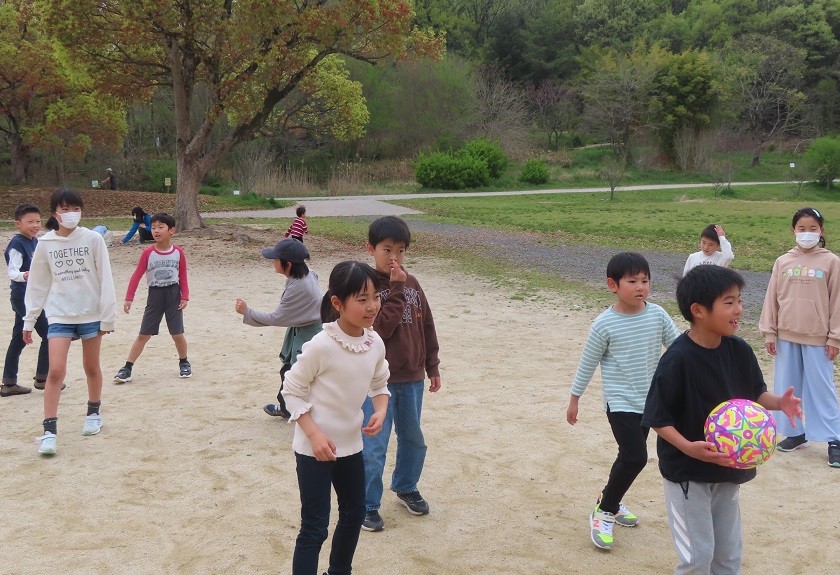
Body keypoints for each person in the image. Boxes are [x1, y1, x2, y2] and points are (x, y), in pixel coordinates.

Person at [643, 265, 802, 574]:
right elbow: (657, 418)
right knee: (697, 556)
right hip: (688, 472)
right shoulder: (677, 360)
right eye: (729, 302)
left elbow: (754, 395)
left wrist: (779, 403)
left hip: (728, 469)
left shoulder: (739, 350)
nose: (739, 309)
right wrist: (689, 447)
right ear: (699, 310)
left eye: (739, 300)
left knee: (728, 556)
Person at [281, 260, 390, 575]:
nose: (372, 306)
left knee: (354, 513)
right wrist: (314, 435)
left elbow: (380, 383)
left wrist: (380, 410)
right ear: (337, 303)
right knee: (315, 526)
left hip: (351, 446)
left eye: (376, 296)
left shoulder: (374, 343)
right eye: (362, 299)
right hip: (314, 449)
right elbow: (291, 391)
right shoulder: (321, 345)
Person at [567, 252, 680, 551]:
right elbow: (587, 363)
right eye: (632, 281)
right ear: (612, 285)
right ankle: (603, 512)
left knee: (628, 456)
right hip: (619, 402)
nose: (640, 286)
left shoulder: (657, 314)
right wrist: (574, 399)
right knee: (635, 457)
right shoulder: (604, 324)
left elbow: (679, 347)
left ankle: (610, 501)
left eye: (645, 280)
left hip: (650, 402)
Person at [361, 216, 441, 533]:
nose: (394, 258)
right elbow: (378, 330)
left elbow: (427, 325)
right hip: (376, 381)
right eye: (386, 249)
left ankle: (406, 486)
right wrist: (393, 288)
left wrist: (432, 365)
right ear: (371, 248)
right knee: (375, 446)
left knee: (413, 439)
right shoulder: (365, 285)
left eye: (401, 250)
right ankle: (367, 504)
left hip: (412, 377)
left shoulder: (412, 283)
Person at [23, 188, 117, 456]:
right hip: (59, 315)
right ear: (54, 212)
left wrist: (107, 317)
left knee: (91, 366)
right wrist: (28, 321)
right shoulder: (46, 243)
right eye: (64, 209)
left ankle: (93, 412)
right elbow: (38, 284)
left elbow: (105, 278)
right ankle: (49, 431)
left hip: (91, 314)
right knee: (55, 370)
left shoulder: (93, 239)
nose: (70, 213)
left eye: (75, 208)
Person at [758, 207, 840, 468]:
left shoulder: (831, 262)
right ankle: (795, 433)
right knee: (788, 387)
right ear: (793, 231)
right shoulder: (783, 262)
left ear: (821, 231)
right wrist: (770, 331)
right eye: (802, 229)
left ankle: (834, 439)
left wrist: (835, 338)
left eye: (813, 229)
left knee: (821, 388)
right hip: (786, 336)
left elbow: (837, 301)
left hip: (819, 337)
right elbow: (772, 298)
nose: (807, 234)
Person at [234, 238, 322, 418]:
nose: (273, 262)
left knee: (292, 373)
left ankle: (290, 408)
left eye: (276, 259)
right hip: (306, 329)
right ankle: (289, 407)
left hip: (308, 334)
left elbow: (277, 318)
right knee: (294, 371)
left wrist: (247, 312)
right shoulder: (308, 273)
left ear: (288, 264)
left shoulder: (298, 286)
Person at [114, 213, 191, 383]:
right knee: (144, 334)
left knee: (177, 333)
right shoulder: (148, 253)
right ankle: (127, 367)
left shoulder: (178, 252)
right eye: (153, 227)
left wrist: (184, 296)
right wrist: (129, 298)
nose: (156, 231)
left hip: (173, 294)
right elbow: (137, 275)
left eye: (161, 227)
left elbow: (183, 275)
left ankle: (184, 362)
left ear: (171, 230)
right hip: (155, 295)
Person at [2, 204, 49, 397]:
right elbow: (12, 271)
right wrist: (25, 276)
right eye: (30, 222)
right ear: (18, 223)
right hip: (23, 298)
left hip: (34, 296)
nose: (35, 225)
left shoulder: (35, 242)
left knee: (17, 339)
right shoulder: (17, 243)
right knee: (49, 335)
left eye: (38, 221)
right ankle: (43, 378)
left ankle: (9, 383)